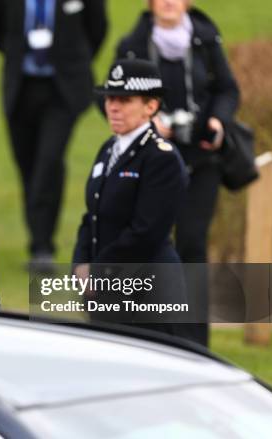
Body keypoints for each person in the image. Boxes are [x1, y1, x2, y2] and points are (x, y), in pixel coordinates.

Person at [114, 0, 240, 346]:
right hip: (150, 162)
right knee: (147, 241)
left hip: (201, 159)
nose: (169, 3)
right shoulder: (133, 43)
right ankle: (148, 335)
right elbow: (110, 99)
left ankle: (195, 342)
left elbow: (227, 89)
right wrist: (144, 119)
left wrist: (217, 120)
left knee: (192, 242)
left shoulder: (206, 39)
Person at [0, 0, 107, 269]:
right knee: (27, 165)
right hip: (21, 87)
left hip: (63, 91)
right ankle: (38, 238)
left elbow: (98, 28)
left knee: (49, 161)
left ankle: (43, 247)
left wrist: (75, 60)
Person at [72, 59, 189, 338]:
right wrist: (79, 264)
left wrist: (97, 270)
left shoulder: (161, 157)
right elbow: (93, 214)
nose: (112, 106)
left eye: (124, 99)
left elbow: (147, 232)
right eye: (110, 98)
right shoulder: (110, 148)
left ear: (150, 106)